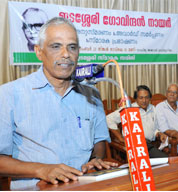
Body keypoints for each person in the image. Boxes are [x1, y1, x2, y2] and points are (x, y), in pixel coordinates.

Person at [0, 17, 117, 190]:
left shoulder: (92, 94)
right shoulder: (8, 94)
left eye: (72, 47)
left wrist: (95, 161)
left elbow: (99, 141)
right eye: (56, 46)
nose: (66, 54)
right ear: (39, 52)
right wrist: (42, 170)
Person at [106, 85, 168, 158]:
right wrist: (120, 138)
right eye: (141, 98)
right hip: (133, 147)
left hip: (149, 145)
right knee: (158, 161)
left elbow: (154, 128)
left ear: (150, 98)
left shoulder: (153, 108)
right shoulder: (129, 109)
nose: (144, 101)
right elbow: (108, 119)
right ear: (136, 99)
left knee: (165, 160)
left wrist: (159, 133)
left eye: (146, 97)